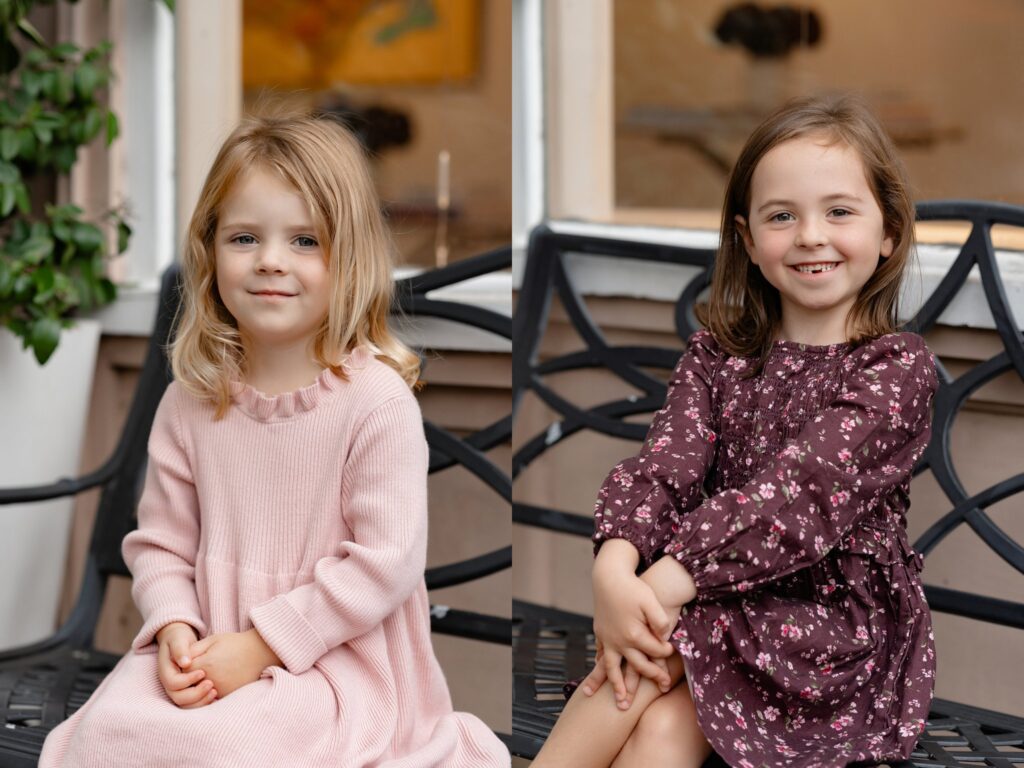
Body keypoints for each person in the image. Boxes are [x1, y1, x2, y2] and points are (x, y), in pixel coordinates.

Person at [39, 112, 510, 767]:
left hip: (336, 668)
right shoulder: (192, 398)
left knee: (231, 751)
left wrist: (259, 648)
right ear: (210, 252)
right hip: (211, 651)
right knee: (106, 734)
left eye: (304, 241)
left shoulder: (375, 404)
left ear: (349, 255)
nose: (269, 262)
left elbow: (382, 565)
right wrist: (177, 628)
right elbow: (162, 546)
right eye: (243, 238)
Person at [532, 93, 937, 768]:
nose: (811, 234)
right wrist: (614, 569)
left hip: (833, 646)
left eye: (839, 211)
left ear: (888, 230)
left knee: (666, 638)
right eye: (783, 216)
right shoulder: (720, 358)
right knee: (660, 726)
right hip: (713, 612)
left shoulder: (893, 370)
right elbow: (665, 467)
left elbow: (795, 499)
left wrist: (659, 585)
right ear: (749, 241)